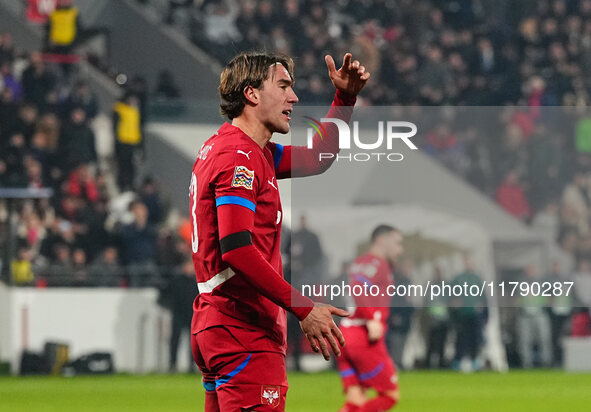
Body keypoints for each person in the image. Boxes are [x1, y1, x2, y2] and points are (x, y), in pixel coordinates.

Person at [190, 51, 370, 412]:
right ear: (252, 94)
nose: (294, 97)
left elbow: (318, 157)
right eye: (284, 86)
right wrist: (305, 308)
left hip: (221, 324)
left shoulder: (247, 151)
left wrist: (345, 99)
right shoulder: (238, 159)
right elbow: (237, 250)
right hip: (243, 329)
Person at [337, 225, 403, 412]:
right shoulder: (377, 264)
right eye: (397, 243)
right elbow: (357, 286)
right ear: (382, 241)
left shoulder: (361, 262)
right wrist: (372, 318)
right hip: (363, 337)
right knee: (390, 396)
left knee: (355, 401)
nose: (400, 250)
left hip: (346, 334)